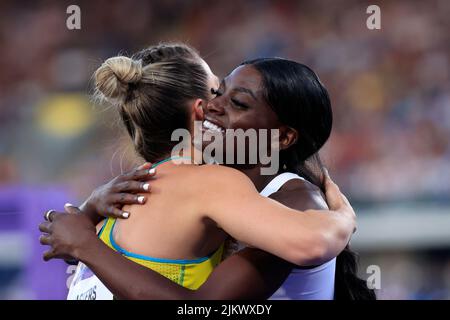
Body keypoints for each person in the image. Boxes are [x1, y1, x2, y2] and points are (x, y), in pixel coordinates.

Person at [39, 43, 360, 300]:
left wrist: (344, 216)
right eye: (218, 93)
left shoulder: (293, 197)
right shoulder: (200, 185)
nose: (213, 107)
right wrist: (90, 211)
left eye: (239, 103)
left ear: (283, 136)